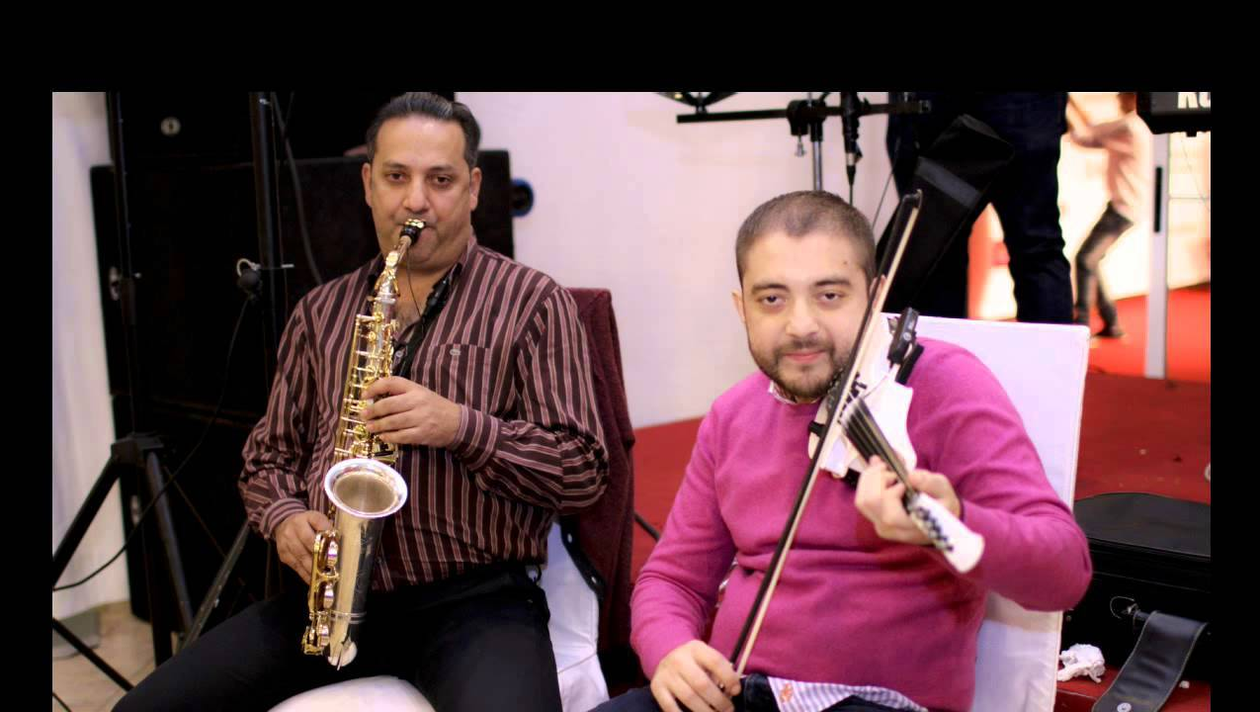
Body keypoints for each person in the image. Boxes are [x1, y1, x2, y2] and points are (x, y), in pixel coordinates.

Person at [115, 92, 609, 712]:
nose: (416, 201)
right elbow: (266, 459)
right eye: (397, 177)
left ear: (474, 188)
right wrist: (284, 518)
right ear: (367, 184)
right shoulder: (319, 311)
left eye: (441, 180)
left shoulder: (534, 302)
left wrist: (461, 427)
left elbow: (584, 471)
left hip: (475, 604)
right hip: (327, 596)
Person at [597, 191, 1091, 712]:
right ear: (742, 308)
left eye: (829, 295)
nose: (801, 325)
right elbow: (673, 579)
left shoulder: (949, 387)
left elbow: (1065, 573)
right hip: (739, 694)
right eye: (772, 299)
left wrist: (951, 526)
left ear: (875, 297)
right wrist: (669, 649)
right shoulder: (732, 414)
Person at [886, 92, 1075, 324]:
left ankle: (944, 348)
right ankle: (1051, 348)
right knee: (1037, 248)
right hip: (1023, 106)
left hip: (938, 105)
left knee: (937, 253)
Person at [1065, 92, 1153, 339]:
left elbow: (1084, 136)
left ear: (1133, 98)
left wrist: (1063, 104)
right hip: (1126, 205)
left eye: (1121, 97)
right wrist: (1072, 103)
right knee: (1091, 260)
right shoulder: (1139, 124)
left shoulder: (1130, 125)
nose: (1118, 101)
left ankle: (1082, 325)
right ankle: (1110, 322)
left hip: (1125, 207)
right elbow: (1093, 130)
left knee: (1085, 259)